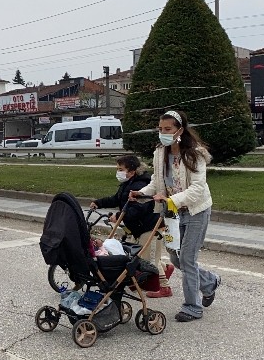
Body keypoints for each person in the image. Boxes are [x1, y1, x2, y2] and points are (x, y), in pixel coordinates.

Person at [130, 110, 221, 323]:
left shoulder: (195, 155)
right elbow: (157, 181)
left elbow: (197, 189)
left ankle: (192, 307)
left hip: (196, 211)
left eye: (168, 129)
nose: (163, 133)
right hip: (172, 214)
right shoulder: (160, 153)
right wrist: (142, 193)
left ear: (180, 130)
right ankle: (209, 283)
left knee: (187, 259)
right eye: (160, 129)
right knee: (175, 258)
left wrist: (171, 200)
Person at [89, 155, 173, 297]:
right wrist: (99, 202)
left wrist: (120, 215)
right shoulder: (127, 184)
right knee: (139, 257)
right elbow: (116, 199)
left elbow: (138, 209)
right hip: (138, 229)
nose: (118, 172)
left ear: (132, 171)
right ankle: (166, 268)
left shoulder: (140, 185)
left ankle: (165, 288)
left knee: (149, 260)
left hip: (150, 227)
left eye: (121, 169)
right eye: (117, 169)